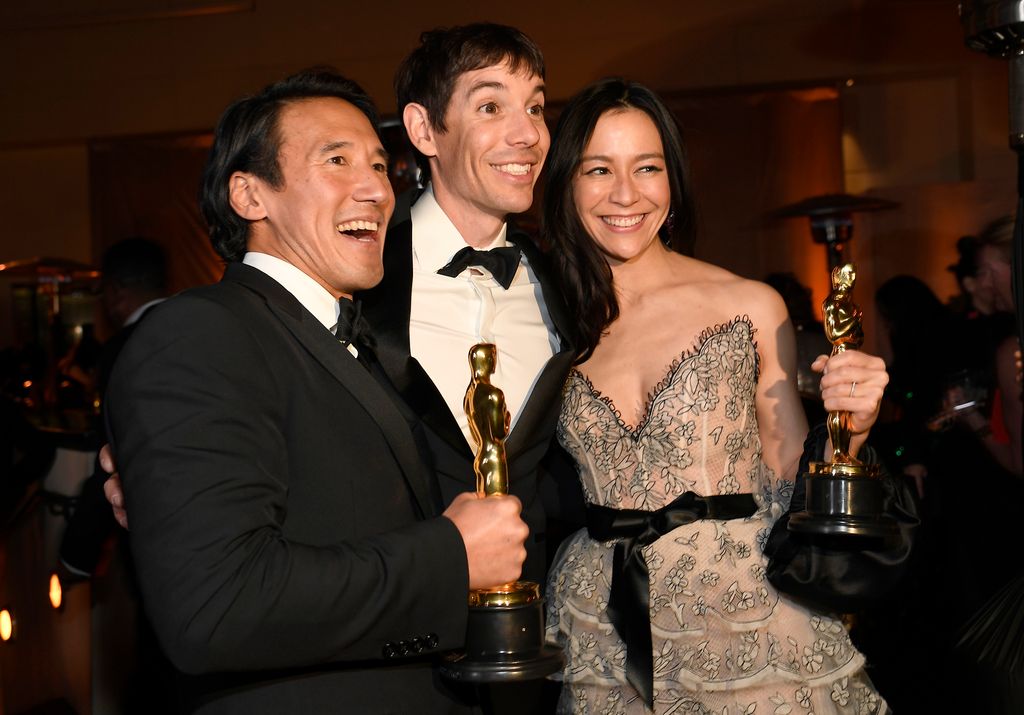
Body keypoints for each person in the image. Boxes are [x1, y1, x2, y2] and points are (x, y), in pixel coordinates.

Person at [104, 69, 529, 713]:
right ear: (249, 195)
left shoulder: (353, 340)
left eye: (382, 166)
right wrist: (449, 558)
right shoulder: (200, 334)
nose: (376, 189)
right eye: (337, 160)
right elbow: (214, 611)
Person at [540, 78, 891, 713]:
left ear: (671, 182)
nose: (625, 194)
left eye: (647, 167)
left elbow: (790, 480)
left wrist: (852, 429)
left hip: (747, 619)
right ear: (565, 183)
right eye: (598, 169)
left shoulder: (749, 305)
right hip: (600, 619)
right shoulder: (545, 324)